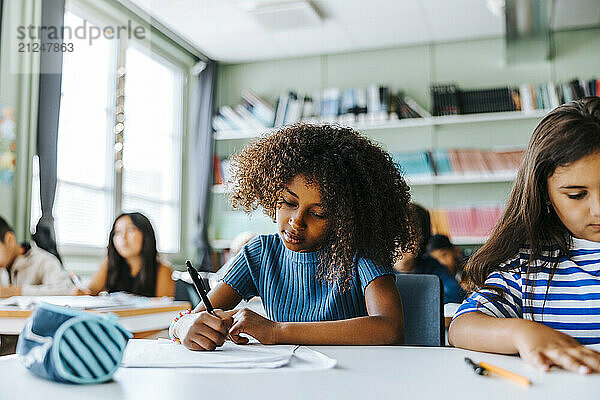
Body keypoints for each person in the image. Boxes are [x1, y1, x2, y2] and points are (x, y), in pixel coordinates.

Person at [170, 124, 413, 350]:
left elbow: (390, 329)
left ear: (345, 218)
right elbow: (198, 316)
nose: (296, 220)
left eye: (318, 213)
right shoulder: (260, 253)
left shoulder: (359, 251)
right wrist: (183, 327)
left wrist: (277, 331)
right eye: (288, 202)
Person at [449, 97, 600, 374]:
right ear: (544, 194)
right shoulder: (528, 263)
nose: (598, 209)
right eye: (577, 195)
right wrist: (520, 333)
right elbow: (462, 327)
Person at [84, 212, 174, 297]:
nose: (123, 237)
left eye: (130, 230)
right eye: (118, 232)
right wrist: (79, 292)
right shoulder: (109, 264)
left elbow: (165, 308)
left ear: (146, 235)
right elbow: (90, 291)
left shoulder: (163, 269)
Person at [394, 203, 466, 304]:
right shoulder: (376, 268)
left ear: (422, 240)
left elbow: (456, 296)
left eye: (411, 236)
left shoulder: (433, 268)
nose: (402, 243)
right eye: (396, 234)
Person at [0, 216, 73, 297]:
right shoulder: (3, 268)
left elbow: (65, 290)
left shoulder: (45, 261)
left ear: (9, 239)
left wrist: (15, 291)